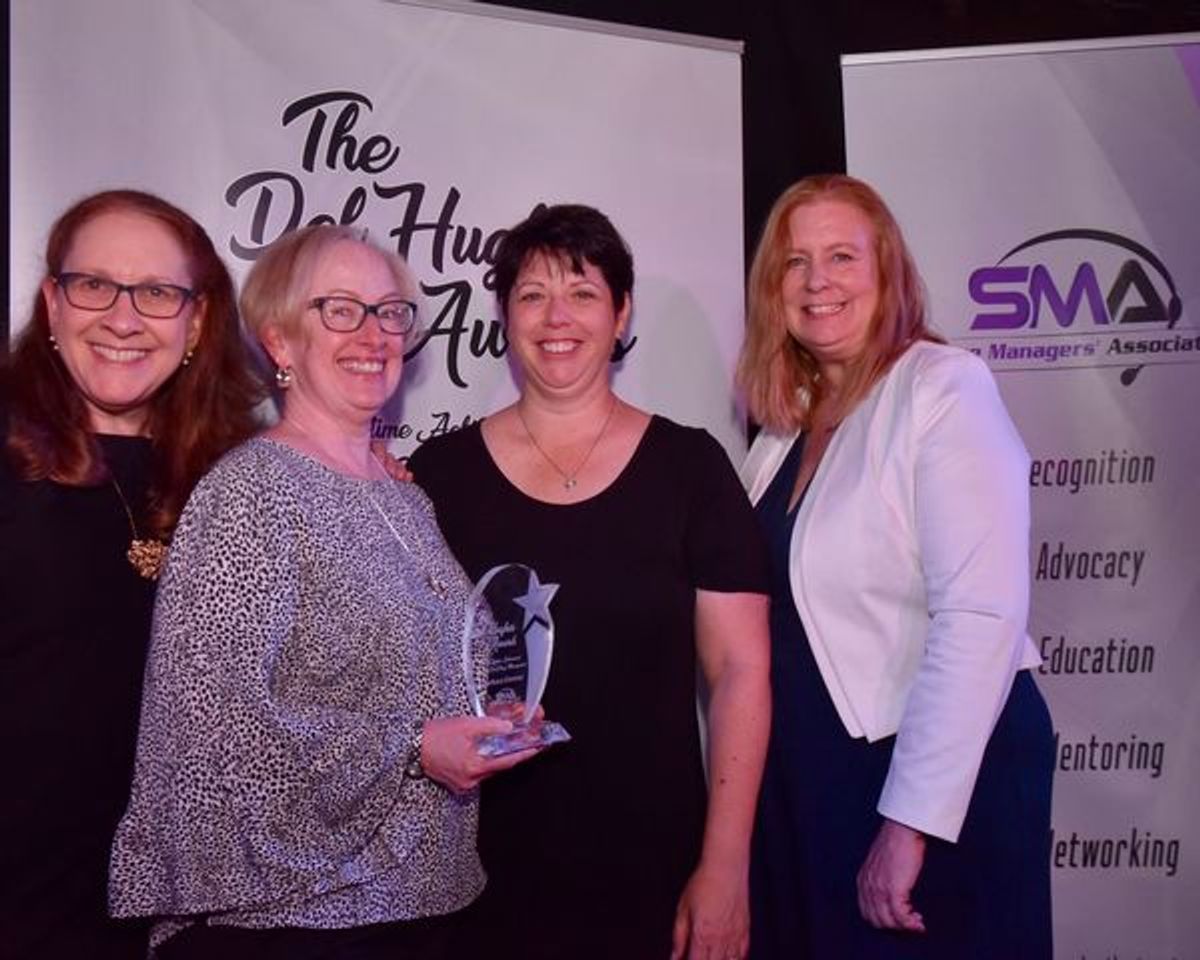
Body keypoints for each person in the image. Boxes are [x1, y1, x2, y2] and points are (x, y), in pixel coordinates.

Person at [108, 225, 538, 959]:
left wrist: (485, 716)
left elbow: (413, 683)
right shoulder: (250, 491)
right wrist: (415, 747)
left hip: (430, 907)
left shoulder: (406, 498)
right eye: (339, 310)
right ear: (279, 340)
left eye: (389, 312)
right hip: (297, 921)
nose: (373, 334)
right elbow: (219, 727)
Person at [407, 203, 772, 960]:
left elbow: (741, 672)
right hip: (475, 874)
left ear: (621, 311)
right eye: (532, 295)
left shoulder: (691, 469)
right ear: (505, 316)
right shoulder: (438, 475)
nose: (556, 318)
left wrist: (727, 866)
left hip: (654, 867)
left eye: (582, 292)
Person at [737, 174, 1054, 958]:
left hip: (929, 777)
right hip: (815, 775)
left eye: (842, 256)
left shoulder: (944, 387)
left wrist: (910, 822)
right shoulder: (784, 428)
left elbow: (980, 615)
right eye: (795, 261)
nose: (818, 281)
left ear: (888, 271)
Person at [0, 189, 264, 958]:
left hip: (183, 910)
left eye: (156, 292)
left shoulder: (238, 480)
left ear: (197, 321)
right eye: (94, 285)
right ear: (52, 304)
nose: (123, 318)